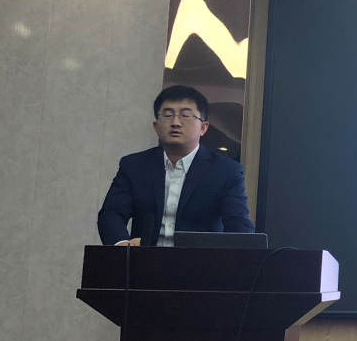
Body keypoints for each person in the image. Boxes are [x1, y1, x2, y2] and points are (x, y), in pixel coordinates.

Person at [97, 85, 254, 246]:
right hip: (143, 259)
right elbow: (111, 214)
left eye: (186, 115)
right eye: (168, 115)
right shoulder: (135, 166)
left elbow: (238, 225)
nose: (176, 123)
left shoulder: (225, 171)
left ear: (203, 127)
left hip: (198, 260)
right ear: (156, 126)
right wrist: (122, 245)